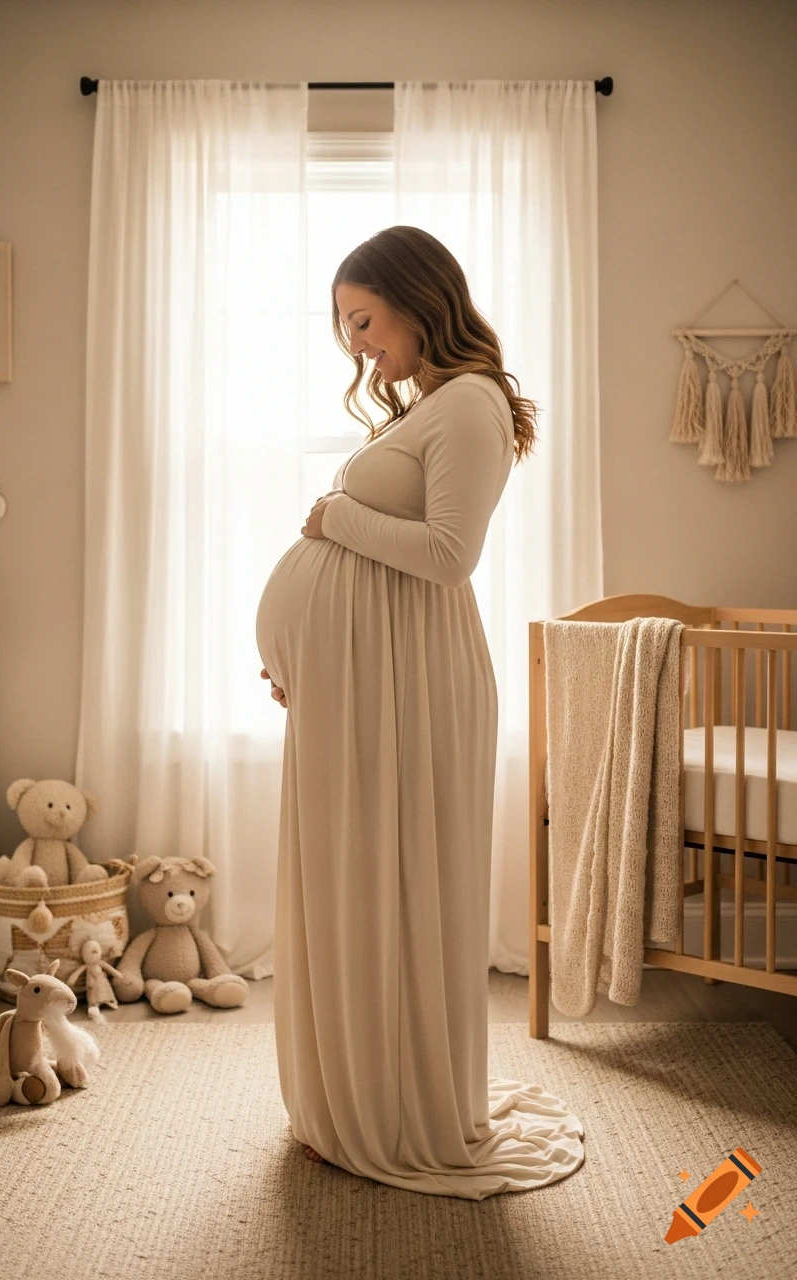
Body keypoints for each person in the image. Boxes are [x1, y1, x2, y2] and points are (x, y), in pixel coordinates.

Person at [255, 225, 584, 1199]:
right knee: (352, 881)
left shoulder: (471, 405)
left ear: (416, 298)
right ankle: (352, 1101)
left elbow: (447, 555)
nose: (357, 343)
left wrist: (331, 517)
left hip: (414, 688)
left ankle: (395, 1112)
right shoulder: (434, 405)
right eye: (345, 326)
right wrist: (309, 657)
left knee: (390, 886)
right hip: (369, 682)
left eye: (363, 319)